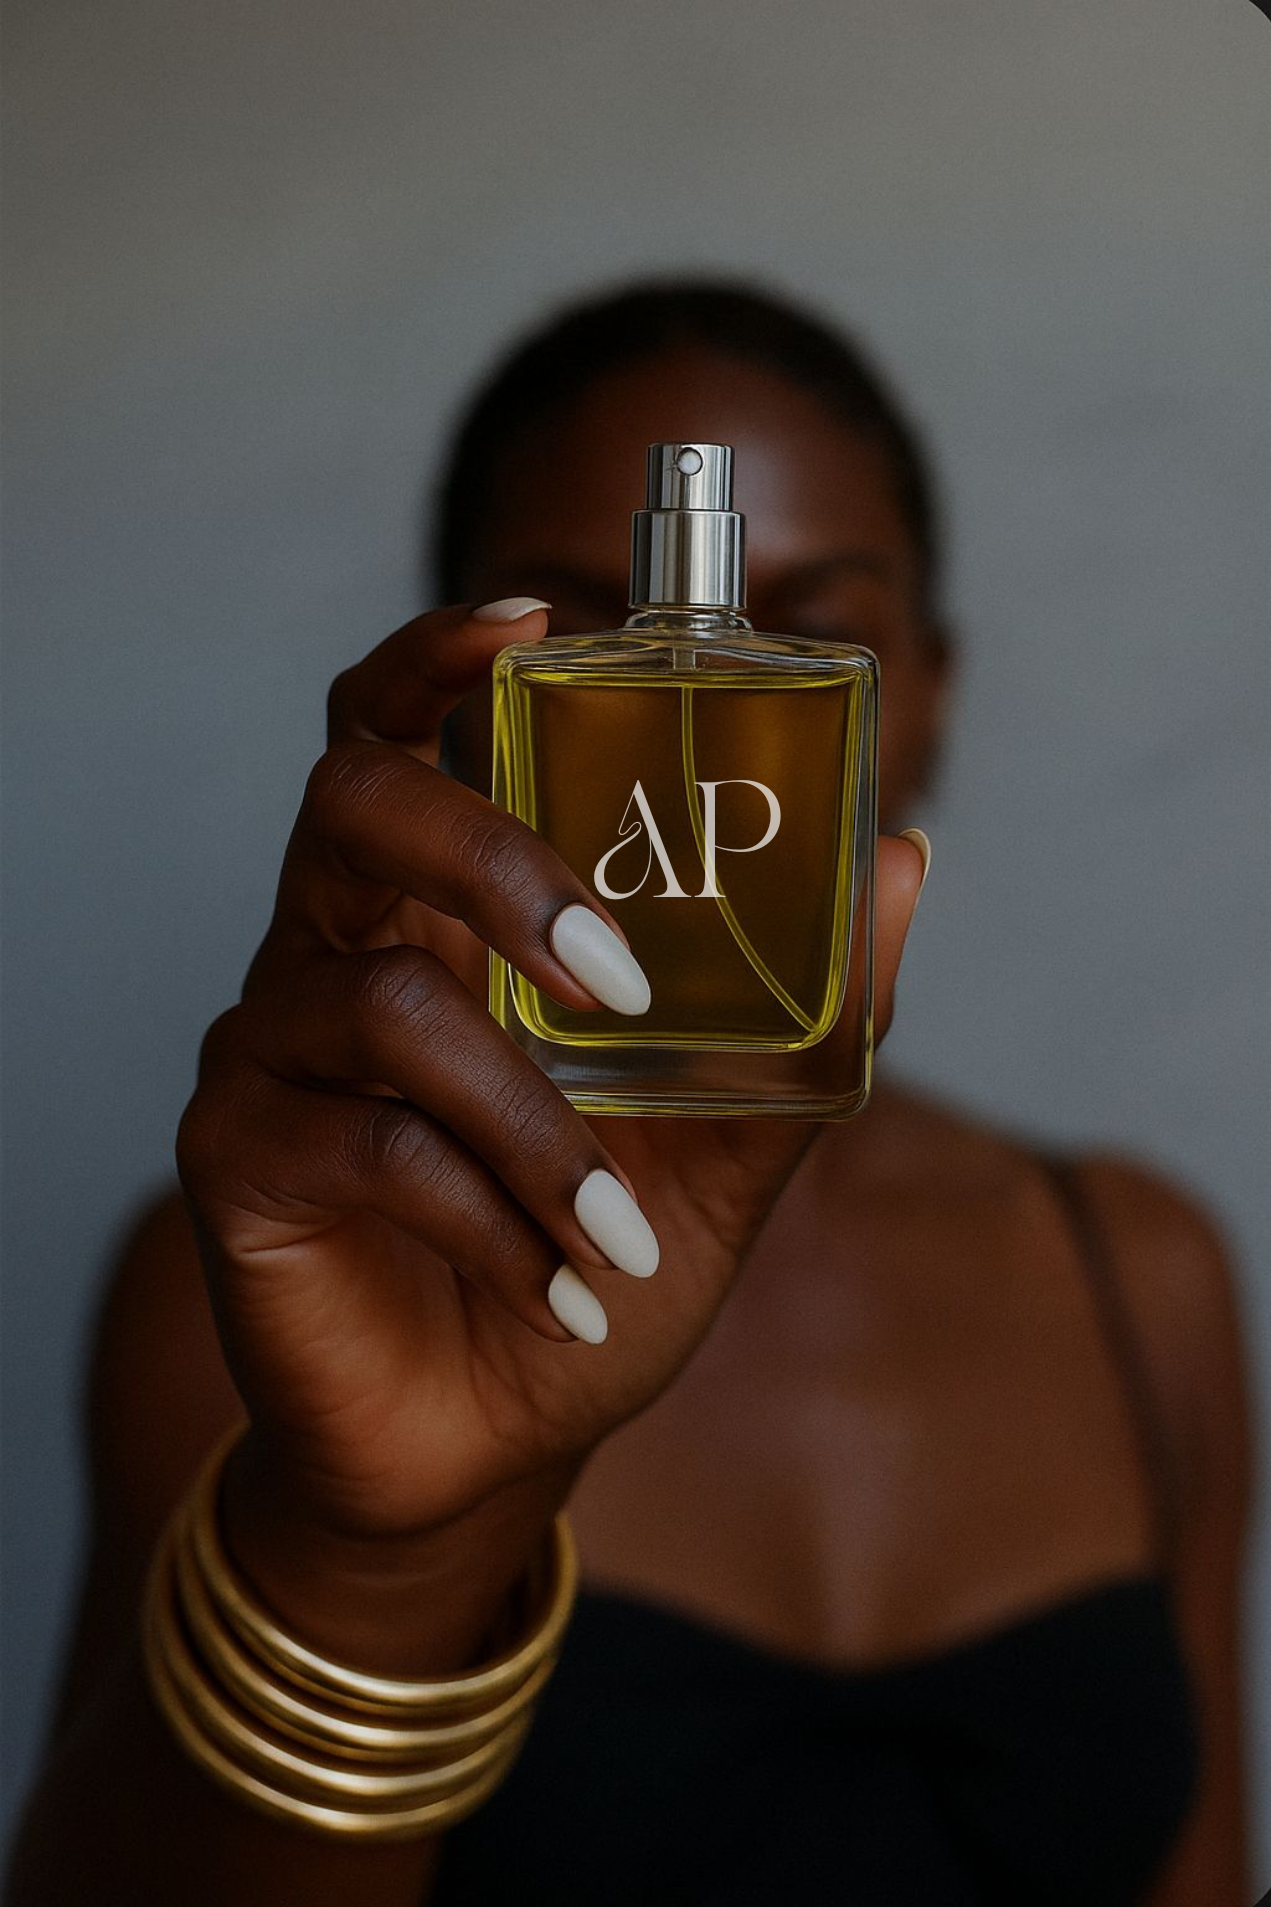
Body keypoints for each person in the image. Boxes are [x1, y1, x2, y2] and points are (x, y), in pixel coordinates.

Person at [8, 279, 1253, 1905]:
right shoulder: (255, 1280)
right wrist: (366, 1554)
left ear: (928, 691)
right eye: (577, 628)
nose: (686, 727)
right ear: (466, 692)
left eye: (812, 619)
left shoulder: (1138, 1275)